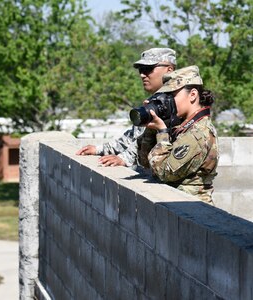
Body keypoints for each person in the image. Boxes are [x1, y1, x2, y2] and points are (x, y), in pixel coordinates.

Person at [76, 48, 176, 168]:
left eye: (148, 69)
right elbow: (134, 136)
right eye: (141, 70)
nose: (142, 75)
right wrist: (99, 149)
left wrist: (124, 158)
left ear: (169, 70)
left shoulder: (176, 102)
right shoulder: (156, 100)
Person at [139, 65, 218, 203]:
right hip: (175, 205)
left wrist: (162, 133)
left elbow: (164, 172)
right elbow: (145, 162)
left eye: (172, 95)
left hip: (192, 210)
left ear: (193, 95)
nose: (167, 101)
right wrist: (153, 125)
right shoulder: (180, 125)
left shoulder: (198, 132)